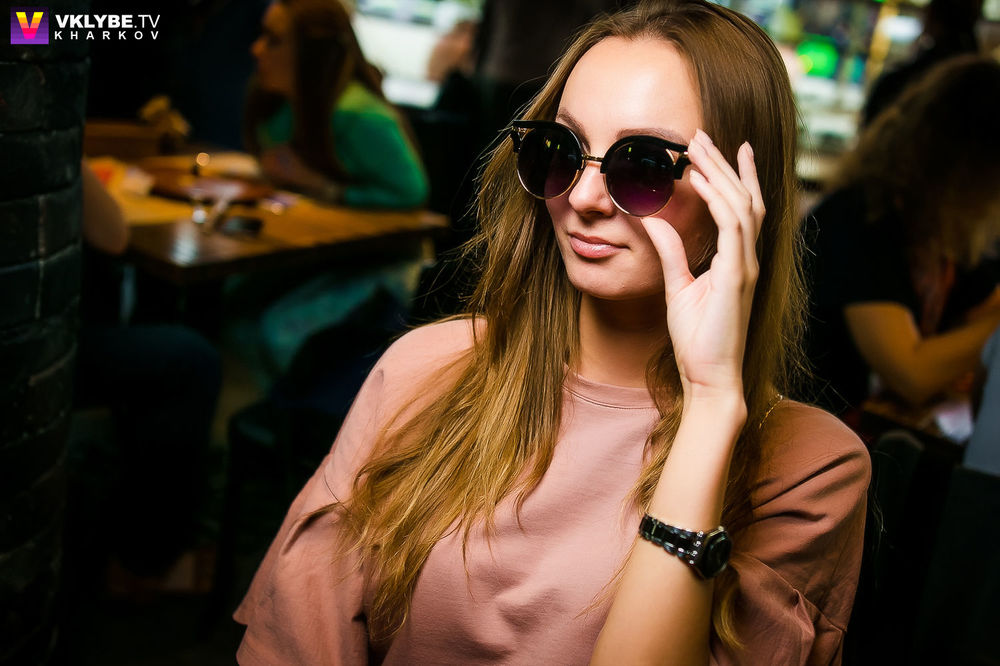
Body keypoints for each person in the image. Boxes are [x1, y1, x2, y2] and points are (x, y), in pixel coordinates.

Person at [235, 2, 870, 663]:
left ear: (740, 199)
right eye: (559, 150)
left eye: (644, 166)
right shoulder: (425, 368)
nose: (584, 199)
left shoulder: (813, 471)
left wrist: (710, 406)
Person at [804, 56, 1000, 419]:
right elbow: (911, 374)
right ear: (970, 165)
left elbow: (987, 308)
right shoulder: (859, 219)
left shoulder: (943, 232)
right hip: (816, 428)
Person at [245, 0, 428, 208]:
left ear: (315, 52)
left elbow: (410, 193)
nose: (257, 49)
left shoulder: (358, 114)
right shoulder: (278, 104)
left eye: (274, 40)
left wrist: (325, 187)